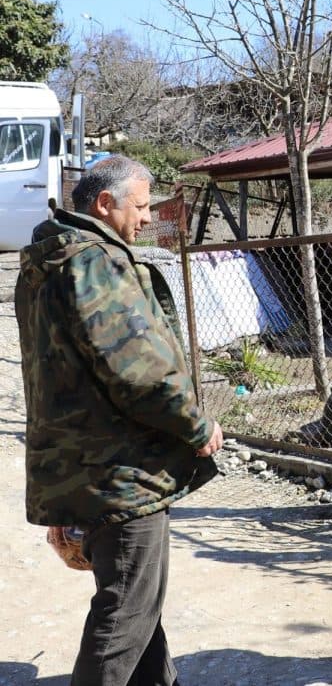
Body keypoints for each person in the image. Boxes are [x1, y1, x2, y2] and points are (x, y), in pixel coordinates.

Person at [15, 155, 224, 686]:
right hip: (123, 473)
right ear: (105, 204)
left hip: (85, 466)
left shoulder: (50, 261)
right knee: (125, 616)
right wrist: (198, 427)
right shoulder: (96, 262)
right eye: (143, 204)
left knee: (137, 606)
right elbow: (139, 371)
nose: (150, 217)